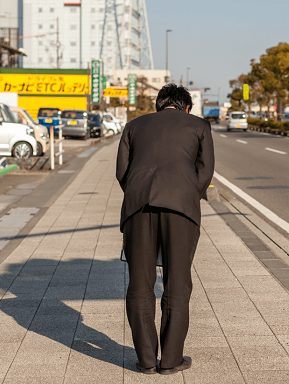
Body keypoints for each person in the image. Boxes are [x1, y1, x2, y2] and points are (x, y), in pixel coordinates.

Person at [116, 84, 215, 375]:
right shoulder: (199, 126)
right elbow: (205, 170)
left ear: (160, 105)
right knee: (178, 282)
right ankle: (171, 360)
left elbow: (122, 171)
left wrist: (137, 193)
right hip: (181, 208)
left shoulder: (134, 126)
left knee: (140, 283)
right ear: (186, 108)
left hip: (138, 207)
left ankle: (146, 361)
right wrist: (185, 194)